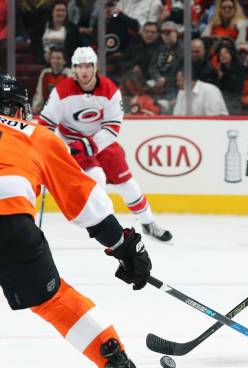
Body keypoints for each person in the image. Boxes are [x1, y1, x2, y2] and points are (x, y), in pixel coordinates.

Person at [0, 73, 153, 368]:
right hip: (11, 224)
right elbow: (86, 204)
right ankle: (118, 365)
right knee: (53, 300)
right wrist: (123, 246)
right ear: (18, 109)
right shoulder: (37, 136)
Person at [39, 47, 173, 242]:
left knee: (128, 185)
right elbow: (46, 123)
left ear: (95, 67)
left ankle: (148, 223)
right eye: (79, 66)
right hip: (74, 143)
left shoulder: (109, 90)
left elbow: (112, 128)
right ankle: (110, 230)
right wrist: (48, 147)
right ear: (74, 69)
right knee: (97, 179)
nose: (84, 71)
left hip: (101, 141)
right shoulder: (62, 91)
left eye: (88, 66)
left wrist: (89, 145)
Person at [32, 47, 72, 114]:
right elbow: (39, 94)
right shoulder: (45, 73)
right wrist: (35, 109)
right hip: (47, 110)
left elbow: (71, 97)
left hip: (65, 112)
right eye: (53, 58)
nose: (55, 61)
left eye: (58, 58)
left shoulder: (69, 74)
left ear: (64, 61)